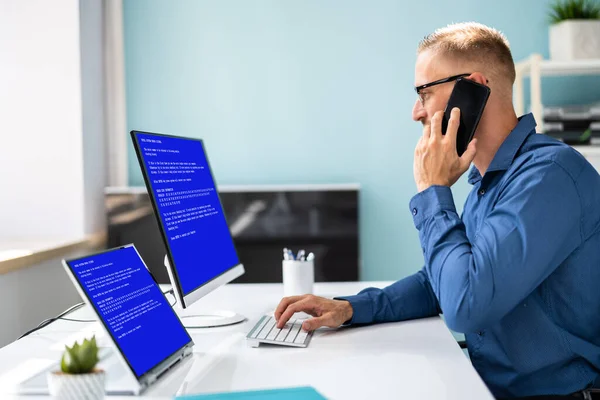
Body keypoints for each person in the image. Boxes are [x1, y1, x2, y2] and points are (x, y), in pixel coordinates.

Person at [274, 22, 600, 399]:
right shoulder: (492, 180)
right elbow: (440, 282)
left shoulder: (548, 177)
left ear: (474, 87)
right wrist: (350, 308)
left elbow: (465, 304)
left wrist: (433, 190)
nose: (416, 112)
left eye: (424, 93)